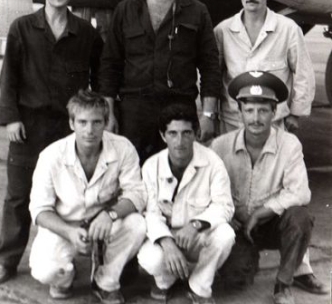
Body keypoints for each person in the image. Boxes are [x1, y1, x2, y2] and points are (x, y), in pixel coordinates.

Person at [0, 0, 103, 283]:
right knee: (18, 195)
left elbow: (100, 77)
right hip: (28, 127)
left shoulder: (85, 33)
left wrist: (96, 118)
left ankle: (69, 254)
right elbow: (8, 79)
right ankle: (6, 260)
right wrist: (11, 119)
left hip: (67, 129)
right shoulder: (22, 28)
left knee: (68, 195)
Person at [98, 0, 221, 164]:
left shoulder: (196, 11)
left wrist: (207, 114)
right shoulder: (125, 10)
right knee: (134, 175)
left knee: (178, 177)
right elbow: (110, 64)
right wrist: (109, 112)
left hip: (180, 110)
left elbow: (210, 66)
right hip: (134, 112)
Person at [211, 71, 328, 304]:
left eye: (263, 110)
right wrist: (227, 213)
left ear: (275, 112)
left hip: (272, 223)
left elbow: (300, 192)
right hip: (236, 224)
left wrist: (262, 212)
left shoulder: (289, 144)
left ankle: (283, 284)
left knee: (300, 217)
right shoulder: (220, 145)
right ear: (239, 112)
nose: (256, 118)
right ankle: (243, 261)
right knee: (234, 281)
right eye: (250, 110)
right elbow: (207, 189)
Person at [29, 90, 146, 302]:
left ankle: (105, 281)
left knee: (137, 224)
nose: (89, 130)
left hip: (104, 223)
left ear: (107, 121)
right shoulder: (51, 156)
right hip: (65, 224)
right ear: (71, 123)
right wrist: (69, 232)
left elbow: (137, 194)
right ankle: (65, 278)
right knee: (44, 270)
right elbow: (39, 210)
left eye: (96, 122)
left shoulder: (123, 148)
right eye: (82, 122)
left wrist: (109, 215)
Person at [138, 103, 235, 304]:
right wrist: (167, 243)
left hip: (197, 235)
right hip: (168, 235)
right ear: (163, 136)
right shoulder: (151, 166)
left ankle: (199, 285)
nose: (180, 141)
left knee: (225, 234)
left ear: (196, 133)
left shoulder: (213, 162)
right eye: (172, 133)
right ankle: (165, 281)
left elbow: (224, 206)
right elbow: (151, 213)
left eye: (186, 133)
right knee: (150, 259)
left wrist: (195, 225)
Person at [214, 0, 315, 134]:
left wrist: (296, 114)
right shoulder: (223, 30)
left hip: (273, 122)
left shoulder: (288, 29)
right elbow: (213, 76)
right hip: (233, 122)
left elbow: (303, 73)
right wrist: (212, 114)